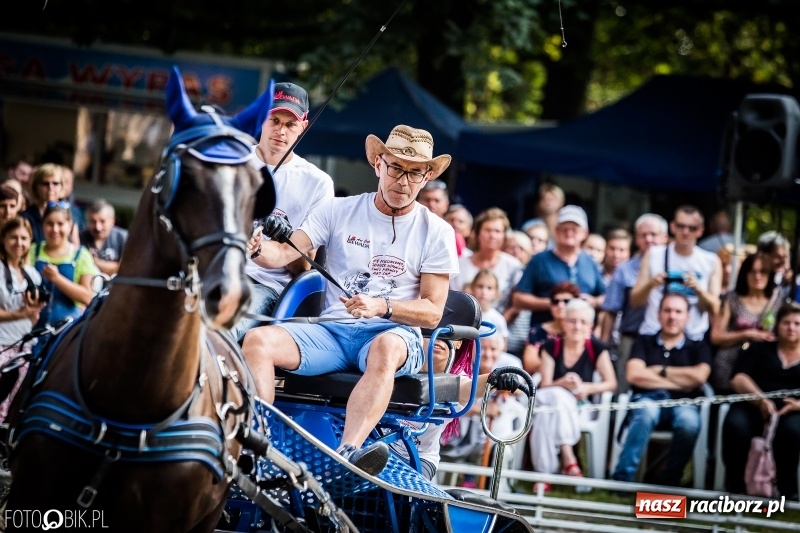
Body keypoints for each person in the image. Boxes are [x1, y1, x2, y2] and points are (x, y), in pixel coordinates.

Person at [242, 125, 458, 475]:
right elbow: (282, 252)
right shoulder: (337, 210)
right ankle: (256, 443)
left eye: (415, 172)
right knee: (257, 340)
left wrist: (382, 307)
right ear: (377, 163)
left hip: (393, 334)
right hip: (332, 333)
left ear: (427, 177)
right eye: (396, 167)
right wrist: (254, 247)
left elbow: (433, 312)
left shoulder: (437, 231)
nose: (403, 181)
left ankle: (350, 456)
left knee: (385, 348)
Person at [229, 82, 335, 342]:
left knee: (222, 328)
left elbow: (305, 270)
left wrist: (284, 238)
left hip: (263, 286)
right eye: (274, 120)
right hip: (213, 273)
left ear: (303, 127)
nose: (280, 131)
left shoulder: (318, 183)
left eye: (290, 124)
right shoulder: (230, 162)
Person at [611, 293, 712, 486]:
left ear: (687, 317)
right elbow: (634, 375)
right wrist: (682, 381)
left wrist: (660, 371)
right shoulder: (644, 341)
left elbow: (699, 377)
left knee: (689, 423)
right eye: (667, 310)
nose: (672, 316)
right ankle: (622, 480)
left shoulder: (698, 346)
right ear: (658, 315)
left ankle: (669, 481)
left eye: (678, 311)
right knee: (645, 413)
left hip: (685, 404)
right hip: (647, 399)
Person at [529, 299, 616, 480]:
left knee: (545, 415)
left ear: (590, 326)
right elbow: (545, 384)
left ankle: (544, 475)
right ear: (564, 322)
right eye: (572, 321)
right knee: (557, 396)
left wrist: (586, 387)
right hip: (552, 398)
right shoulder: (551, 347)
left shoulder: (597, 348)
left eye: (583, 322)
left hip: (581, 407)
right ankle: (569, 458)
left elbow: (611, 383)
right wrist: (562, 383)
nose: (577, 326)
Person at [722, 302, 800, 499]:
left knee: (791, 431)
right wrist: (761, 400)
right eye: (786, 323)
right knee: (735, 425)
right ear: (777, 325)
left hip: (792, 410)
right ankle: (736, 487)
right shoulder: (759, 349)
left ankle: (784, 490)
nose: (791, 328)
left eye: (797, 324)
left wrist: (797, 405)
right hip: (752, 403)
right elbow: (738, 378)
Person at [630, 205, 722, 342]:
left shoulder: (711, 261)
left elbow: (715, 308)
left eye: (692, 228)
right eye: (681, 226)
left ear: (700, 231)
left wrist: (697, 289)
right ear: (673, 227)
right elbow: (635, 301)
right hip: (654, 334)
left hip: (693, 338)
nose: (685, 232)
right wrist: (651, 284)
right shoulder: (654, 254)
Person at [598, 214, 668, 393]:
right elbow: (610, 310)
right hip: (632, 338)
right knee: (624, 389)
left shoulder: (674, 265)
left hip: (666, 340)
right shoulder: (625, 269)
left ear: (664, 237)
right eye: (643, 235)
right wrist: (603, 347)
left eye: (653, 234)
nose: (648, 239)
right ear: (636, 239)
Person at [512, 205, 605, 331]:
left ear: (585, 233)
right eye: (564, 228)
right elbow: (518, 298)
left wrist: (594, 302)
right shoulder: (540, 260)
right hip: (544, 334)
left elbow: (605, 297)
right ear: (556, 230)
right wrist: (554, 303)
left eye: (575, 228)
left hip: (580, 336)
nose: (569, 232)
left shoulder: (590, 262)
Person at [710, 253, 780, 393]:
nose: (757, 276)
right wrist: (746, 334)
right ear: (744, 274)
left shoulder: (777, 300)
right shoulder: (731, 299)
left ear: (770, 274)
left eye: (763, 272)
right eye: (752, 271)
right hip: (730, 362)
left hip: (764, 365)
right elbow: (716, 337)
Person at [0, 217, 44, 421]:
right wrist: (21, 314)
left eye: (24, 238)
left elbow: (33, 317)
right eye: (13, 237)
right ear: (3, 239)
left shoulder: (32, 275)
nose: (19, 243)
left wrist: (33, 310)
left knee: (10, 404)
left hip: (22, 348)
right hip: (1, 344)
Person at [30, 202, 97, 332]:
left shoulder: (82, 255)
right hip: (33, 328)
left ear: (70, 225)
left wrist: (57, 279)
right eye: (49, 224)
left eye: (60, 224)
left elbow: (87, 297)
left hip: (67, 332)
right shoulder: (32, 251)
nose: (55, 229)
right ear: (42, 225)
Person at [450, 207, 522, 309]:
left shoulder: (513, 265)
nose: (492, 235)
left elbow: (516, 301)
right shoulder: (459, 264)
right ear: (477, 233)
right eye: (487, 230)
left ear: (504, 236)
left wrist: (502, 321)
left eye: (497, 231)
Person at [522, 281, 581, 375]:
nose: (560, 306)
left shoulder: (582, 329)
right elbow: (530, 364)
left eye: (567, 301)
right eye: (555, 302)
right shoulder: (537, 331)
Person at [419, 180, 468, 258]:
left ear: (446, 205)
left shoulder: (452, 236)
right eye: (427, 200)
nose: (431, 204)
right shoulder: (407, 227)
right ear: (418, 202)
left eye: (437, 201)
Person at [79, 199, 128, 276]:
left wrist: (93, 262)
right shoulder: (80, 237)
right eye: (93, 222)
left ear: (112, 221)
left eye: (102, 221)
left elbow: (125, 268)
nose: (98, 227)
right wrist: (113, 266)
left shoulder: (123, 237)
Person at [21, 163, 65, 245]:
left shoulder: (67, 216)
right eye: (45, 184)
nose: (50, 188)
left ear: (62, 187)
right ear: (36, 187)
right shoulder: (25, 218)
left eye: (55, 183)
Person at [468, 270, 509, 350]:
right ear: (472, 288)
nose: (484, 292)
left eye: (489, 288)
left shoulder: (498, 318)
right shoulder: (466, 315)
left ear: (496, 292)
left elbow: (503, 346)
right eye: (480, 286)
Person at [757, 231, 793, 302]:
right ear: (762, 256)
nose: (783, 262)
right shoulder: (753, 280)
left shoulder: (790, 284)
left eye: (785, 257)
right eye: (778, 257)